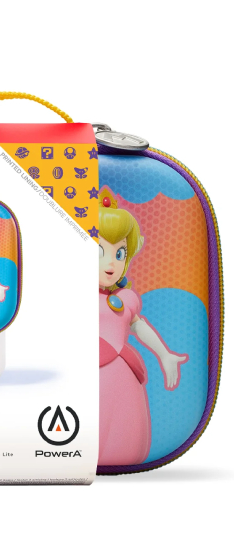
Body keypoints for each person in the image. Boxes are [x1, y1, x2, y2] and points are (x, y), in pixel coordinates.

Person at [98, 188, 188, 465]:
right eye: (100, 251)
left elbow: (139, 327)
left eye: (120, 253)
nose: (111, 263)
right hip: (88, 373)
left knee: (123, 427)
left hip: (125, 377)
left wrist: (165, 355)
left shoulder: (125, 298)